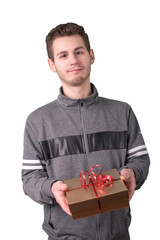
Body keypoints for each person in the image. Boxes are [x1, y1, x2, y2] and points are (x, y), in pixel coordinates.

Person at [22, 22, 150, 240]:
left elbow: (140, 160)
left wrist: (132, 173)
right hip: (65, 236)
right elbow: (30, 177)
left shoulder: (122, 112)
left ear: (91, 55)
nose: (73, 60)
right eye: (63, 55)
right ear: (52, 64)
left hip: (118, 234)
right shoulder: (38, 121)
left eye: (78, 52)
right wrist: (51, 187)